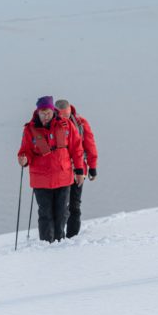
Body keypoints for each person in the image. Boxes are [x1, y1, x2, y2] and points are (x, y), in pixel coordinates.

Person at [17, 96, 85, 243]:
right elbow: (25, 151)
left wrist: (79, 171)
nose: (45, 116)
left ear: (53, 111)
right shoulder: (30, 129)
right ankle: (46, 244)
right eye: (42, 113)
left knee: (62, 213)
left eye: (48, 112)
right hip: (41, 180)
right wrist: (24, 160)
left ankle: (59, 241)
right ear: (37, 112)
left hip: (63, 177)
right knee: (45, 214)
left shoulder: (65, 125)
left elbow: (77, 149)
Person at [55, 99, 98, 238]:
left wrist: (93, 167)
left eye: (67, 116)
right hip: (59, 172)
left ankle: (72, 237)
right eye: (62, 116)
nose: (65, 119)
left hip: (78, 170)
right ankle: (57, 237)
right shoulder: (51, 125)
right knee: (60, 206)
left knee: (74, 204)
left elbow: (90, 145)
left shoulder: (81, 123)